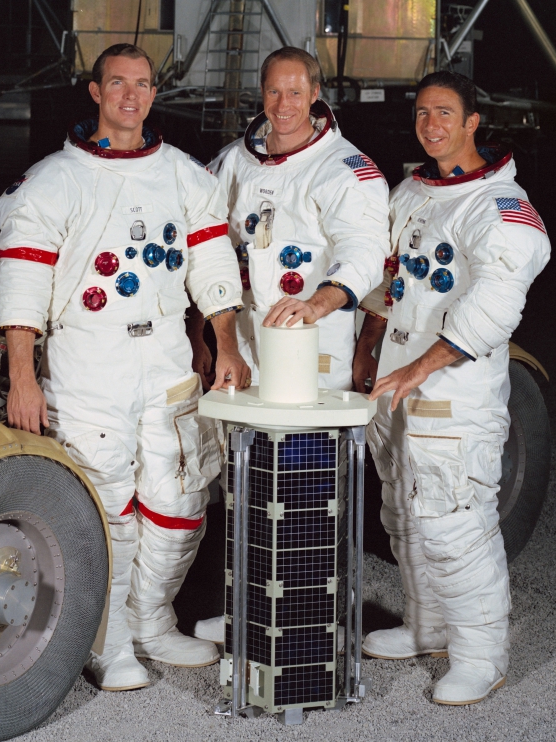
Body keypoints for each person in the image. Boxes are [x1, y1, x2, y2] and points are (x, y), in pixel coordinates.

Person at [0, 43, 250, 693]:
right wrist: (23, 377)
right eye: (117, 83)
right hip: (89, 359)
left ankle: (152, 621)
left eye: (141, 84)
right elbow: (22, 285)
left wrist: (225, 342)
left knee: (181, 495)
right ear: (95, 91)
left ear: (154, 93)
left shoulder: (184, 175)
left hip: (164, 354)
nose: (130, 96)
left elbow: (213, 266)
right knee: (106, 505)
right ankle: (106, 642)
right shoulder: (52, 180)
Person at [353, 70, 550, 705]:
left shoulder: (500, 206)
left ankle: (481, 656)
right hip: (398, 385)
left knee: (454, 522)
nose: (431, 124)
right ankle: (428, 626)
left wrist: (421, 367)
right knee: (403, 512)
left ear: (472, 122)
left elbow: (495, 305)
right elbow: (389, 280)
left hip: (454, 392)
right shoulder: (414, 191)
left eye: (444, 113)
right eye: (422, 113)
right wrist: (367, 346)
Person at [191, 46, 390, 642]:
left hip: (313, 348)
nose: (284, 105)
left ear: (316, 95)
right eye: (274, 92)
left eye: (296, 92)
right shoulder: (235, 161)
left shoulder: (346, 168)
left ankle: (311, 623)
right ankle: (251, 612)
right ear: (262, 93)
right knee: (248, 483)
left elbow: (365, 252)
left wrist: (319, 303)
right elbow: (204, 236)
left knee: (308, 488)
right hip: (251, 346)